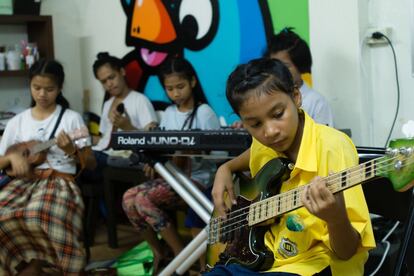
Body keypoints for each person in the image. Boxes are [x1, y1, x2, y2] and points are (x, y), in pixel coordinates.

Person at [208, 58, 375, 275]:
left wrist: (335, 217)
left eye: (278, 115)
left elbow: (347, 252)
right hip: (263, 261)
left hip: (318, 265)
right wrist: (226, 168)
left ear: (296, 97)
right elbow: (253, 152)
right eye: (255, 124)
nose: (269, 132)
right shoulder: (263, 144)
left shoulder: (333, 148)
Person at [122, 56, 221, 273]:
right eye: (169, 88)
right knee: (128, 199)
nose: (176, 93)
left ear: (193, 82)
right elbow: (164, 146)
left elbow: (220, 153)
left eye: (180, 86)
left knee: (143, 200)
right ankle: (160, 252)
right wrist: (154, 159)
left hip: (198, 181)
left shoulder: (204, 112)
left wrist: (197, 150)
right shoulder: (168, 113)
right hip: (174, 179)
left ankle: (180, 255)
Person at [0, 59, 96, 275]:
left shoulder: (72, 119)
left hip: (60, 183)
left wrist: (72, 150)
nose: (42, 94)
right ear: (30, 85)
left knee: (37, 214)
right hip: (23, 183)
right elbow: (1, 159)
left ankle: (46, 265)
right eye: (36, 88)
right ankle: (23, 265)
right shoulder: (18, 121)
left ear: (60, 88)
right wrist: (12, 160)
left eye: (49, 89)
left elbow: (91, 163)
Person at [91, 51, 158, 163]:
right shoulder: (107, 104)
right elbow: (104, 139)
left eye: (111, 77)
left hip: (123, 157)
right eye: (103, 82)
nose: (109, 84)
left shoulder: (140, 100)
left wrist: (127, 127)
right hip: (104, 153)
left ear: (122, 71)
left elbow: (151, 140)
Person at [266, 27, 334, 127]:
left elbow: (324, 138)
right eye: (274, 65)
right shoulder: (266, 98)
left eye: (285, 66)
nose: (278, 71)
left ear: (300, 65)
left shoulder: (316, 102)